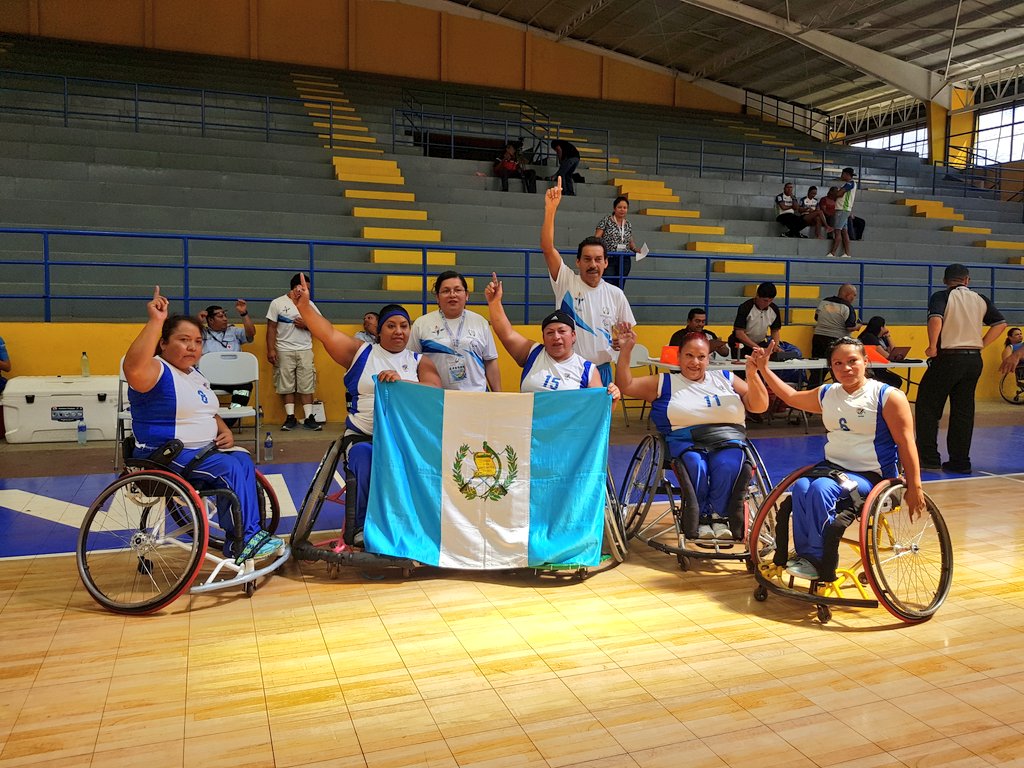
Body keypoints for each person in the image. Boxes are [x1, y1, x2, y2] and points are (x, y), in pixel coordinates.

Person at [123, 287, 283, 560]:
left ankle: (247, 535)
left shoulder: (194, 374)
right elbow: (132, 367)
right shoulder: (156, 370)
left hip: (196, 453)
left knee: (242, 460)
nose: (192, 347)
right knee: (229, 468)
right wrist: (156, 321)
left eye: (197, 341)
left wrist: (223, 431)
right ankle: (244, 541)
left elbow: (208, 410)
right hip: (163, 454)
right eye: (183, 340)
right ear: (163, 344)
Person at [752, 337, 925, 581]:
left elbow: (906, 442)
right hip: (833, 469)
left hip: (871, 476)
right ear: (831, 367)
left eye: (853, 361)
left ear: (866, 361)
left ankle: (817, 559)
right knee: (801, 486)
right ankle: (805, 555)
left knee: (822, 489)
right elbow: (791, 396)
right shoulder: (828, 393)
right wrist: (764, 369)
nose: (846, 368)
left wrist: (915, 485)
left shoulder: (887, 396)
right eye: (838, 363)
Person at [292, 279, 441, 543]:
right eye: (391, 326)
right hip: (364, 434)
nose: (399, 331)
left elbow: (435, 392)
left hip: (404, 439)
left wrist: (401, 381)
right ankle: (360, 526)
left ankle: (417, 524)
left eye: (404, 326)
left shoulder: (419, 361)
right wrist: (304, 305)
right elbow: (326, 332)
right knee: (364, 456)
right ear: (379, 331)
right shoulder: (361, 353)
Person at [615, 329, 769, 540]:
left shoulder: (726, 378)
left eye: (701, 357)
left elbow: (759, 406)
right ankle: (701, 517)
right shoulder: (665, 382)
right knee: (697, 466)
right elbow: (626, 385)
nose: (695, 362)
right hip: (686, 442)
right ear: (678, 357)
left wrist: (753, 374)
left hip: (728, 439)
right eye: (689, 355)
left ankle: (720, 516)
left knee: (729, 464)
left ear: (709, 359)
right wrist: (626, 350)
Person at [542, 177, 636, 385]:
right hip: (569, 370)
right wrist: (551, 210)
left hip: (602, 371)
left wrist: (622, 342)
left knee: (601, 419)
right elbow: (548, 249)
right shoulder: (566, 282)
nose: (592, 264)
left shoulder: (616, 294)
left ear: (605, 263)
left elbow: (626, 335)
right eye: (587, 259)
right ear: (578, 262)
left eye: (598, 259)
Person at [915, 263, 1006, 474]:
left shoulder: (941, 296)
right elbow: (1000, 324)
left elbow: (936, 318)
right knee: (963, 412)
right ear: (967, 280)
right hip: (973, 360)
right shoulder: (980, 298)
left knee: (927, 407)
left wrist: (931, 345)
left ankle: (929, 458)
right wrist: (981, 343)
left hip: (948, 357)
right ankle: (960, 461)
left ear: (945, 281)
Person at [484, 272, 619, 400]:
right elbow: (506, 334)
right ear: (543, 338)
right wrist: (494, 303)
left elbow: (597, 410)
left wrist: (612, 398)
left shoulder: (587, 370)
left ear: (573, 336)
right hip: (528, 423)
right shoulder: (533, 353)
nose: (556, 337)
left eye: (561, 331)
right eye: (550, 332)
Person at [409, 271, 501, 392]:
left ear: (466, 295)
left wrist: (498, 396)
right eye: (446, 291)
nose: (452, 295)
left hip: (477, 397)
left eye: (458, 290)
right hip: (438, 399)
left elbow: (490, 362)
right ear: (437, 297)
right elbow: (412, 362)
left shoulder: (480, 322)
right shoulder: (421, 324)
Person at [266, 273, 321, 431]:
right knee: (286, 385)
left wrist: (307, 324)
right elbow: (271, 328)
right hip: (284, 350)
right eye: (305, 289)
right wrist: (270, 349)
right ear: (297, 288)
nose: (307, 292)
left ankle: (309, 417)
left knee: (306, 384)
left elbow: (320, 325)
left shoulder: (309, 304)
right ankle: (290, 417)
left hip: (304, 349)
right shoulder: (277, 303)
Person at [198, 300, 256, 408]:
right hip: (208, 380)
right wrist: (198, 321)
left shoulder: (233, 331)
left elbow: (251, 333)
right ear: (210, 320)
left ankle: (234, 413)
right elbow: (187, 334)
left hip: (233, 378)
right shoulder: (201, 333)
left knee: (246, 386)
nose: (225, 319)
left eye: (225, 315)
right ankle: (207, 418)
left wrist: (244, 313)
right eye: (220, 316)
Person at [810, 284, 861, 386]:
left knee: (817, 371)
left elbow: (816, 317)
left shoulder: (824, 302)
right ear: (847, 294)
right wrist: (857, 326)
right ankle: (840, 394)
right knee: (838, 369)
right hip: (836, 341)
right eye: (853, 295)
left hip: (818, 338)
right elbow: (849, 327)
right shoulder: (847, 307)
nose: (854, 298)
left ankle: (812, 393)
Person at [728, 282, 782, 358]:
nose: (767, 303)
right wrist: (758, 348)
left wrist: (775, 345)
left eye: (770, 300)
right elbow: (739, 333)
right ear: (757, 296)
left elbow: (775, 330)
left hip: (760, 342)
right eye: (765, 300)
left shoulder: (774, 309)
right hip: (741, 343)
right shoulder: (746, 307)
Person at [595, 196, 638, 286]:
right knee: (608, 284)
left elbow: (629, 239)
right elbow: (597, 237)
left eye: (625, 208)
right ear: (614, 208)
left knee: (620, 285)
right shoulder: (606, 220)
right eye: (619, 207)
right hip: (610, 257)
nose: (622, 210)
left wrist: (635, 249)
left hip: (624, 259)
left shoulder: (628, 224)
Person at [858, 315, 903, 388]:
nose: (886, 328)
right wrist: (892, 356)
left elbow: (894, 352)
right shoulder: (869, 337)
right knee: (895, 381)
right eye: (885, 326)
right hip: (872, 371)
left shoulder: (882, 338)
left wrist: (888, 337)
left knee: (896, 380)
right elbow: (887, 356)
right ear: (881, 327)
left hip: (881, 369)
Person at [827, 168, 857, 258]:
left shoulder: (849, 184)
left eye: (842, 174)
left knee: (837, 230)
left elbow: (839, 194)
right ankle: (847, 253)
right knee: (844, 231)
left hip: (842, 209)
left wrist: (835, 192)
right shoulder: (850, 184)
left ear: (847, 174)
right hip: (844, 209)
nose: (841, 176)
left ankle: (833, 252)